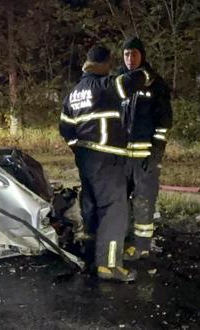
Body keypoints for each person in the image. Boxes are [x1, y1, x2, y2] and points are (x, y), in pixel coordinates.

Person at [59, 45, 149, 282]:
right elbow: (133, 81)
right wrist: (146, 72)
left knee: (91, 206)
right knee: (114, 209)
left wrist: (78, 149)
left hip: (85, 158)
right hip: (107, 158)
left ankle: (90, 255)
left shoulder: (74, 93)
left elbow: (65, 128)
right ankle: (109, 266)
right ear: (104, 65)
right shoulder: (105, 86)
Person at [117, 37, 173, 261]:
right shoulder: (120, 83)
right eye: (126, 54)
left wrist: (157, 154)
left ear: (142, 55)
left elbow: (164, 122)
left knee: (143, 201)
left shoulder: (155, 83)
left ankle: (142, 246)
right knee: (119, 200)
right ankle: (122, 240)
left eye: (134, 54)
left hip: (145, 157)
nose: (130, 59)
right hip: (121, 157)